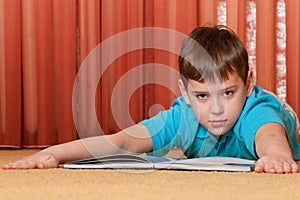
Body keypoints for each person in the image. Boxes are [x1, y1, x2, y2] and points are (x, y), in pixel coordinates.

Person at [2, 25, 299, 173]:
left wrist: (277, 156)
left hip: (280, 116)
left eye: (228, 93)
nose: (217, 109)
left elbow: (269, 135)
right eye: (202, 96)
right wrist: (55, 153)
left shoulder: (254, 108)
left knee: (273, 115)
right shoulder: (182, 115)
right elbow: (123, 141)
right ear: (184, 92)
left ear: (247, 85)